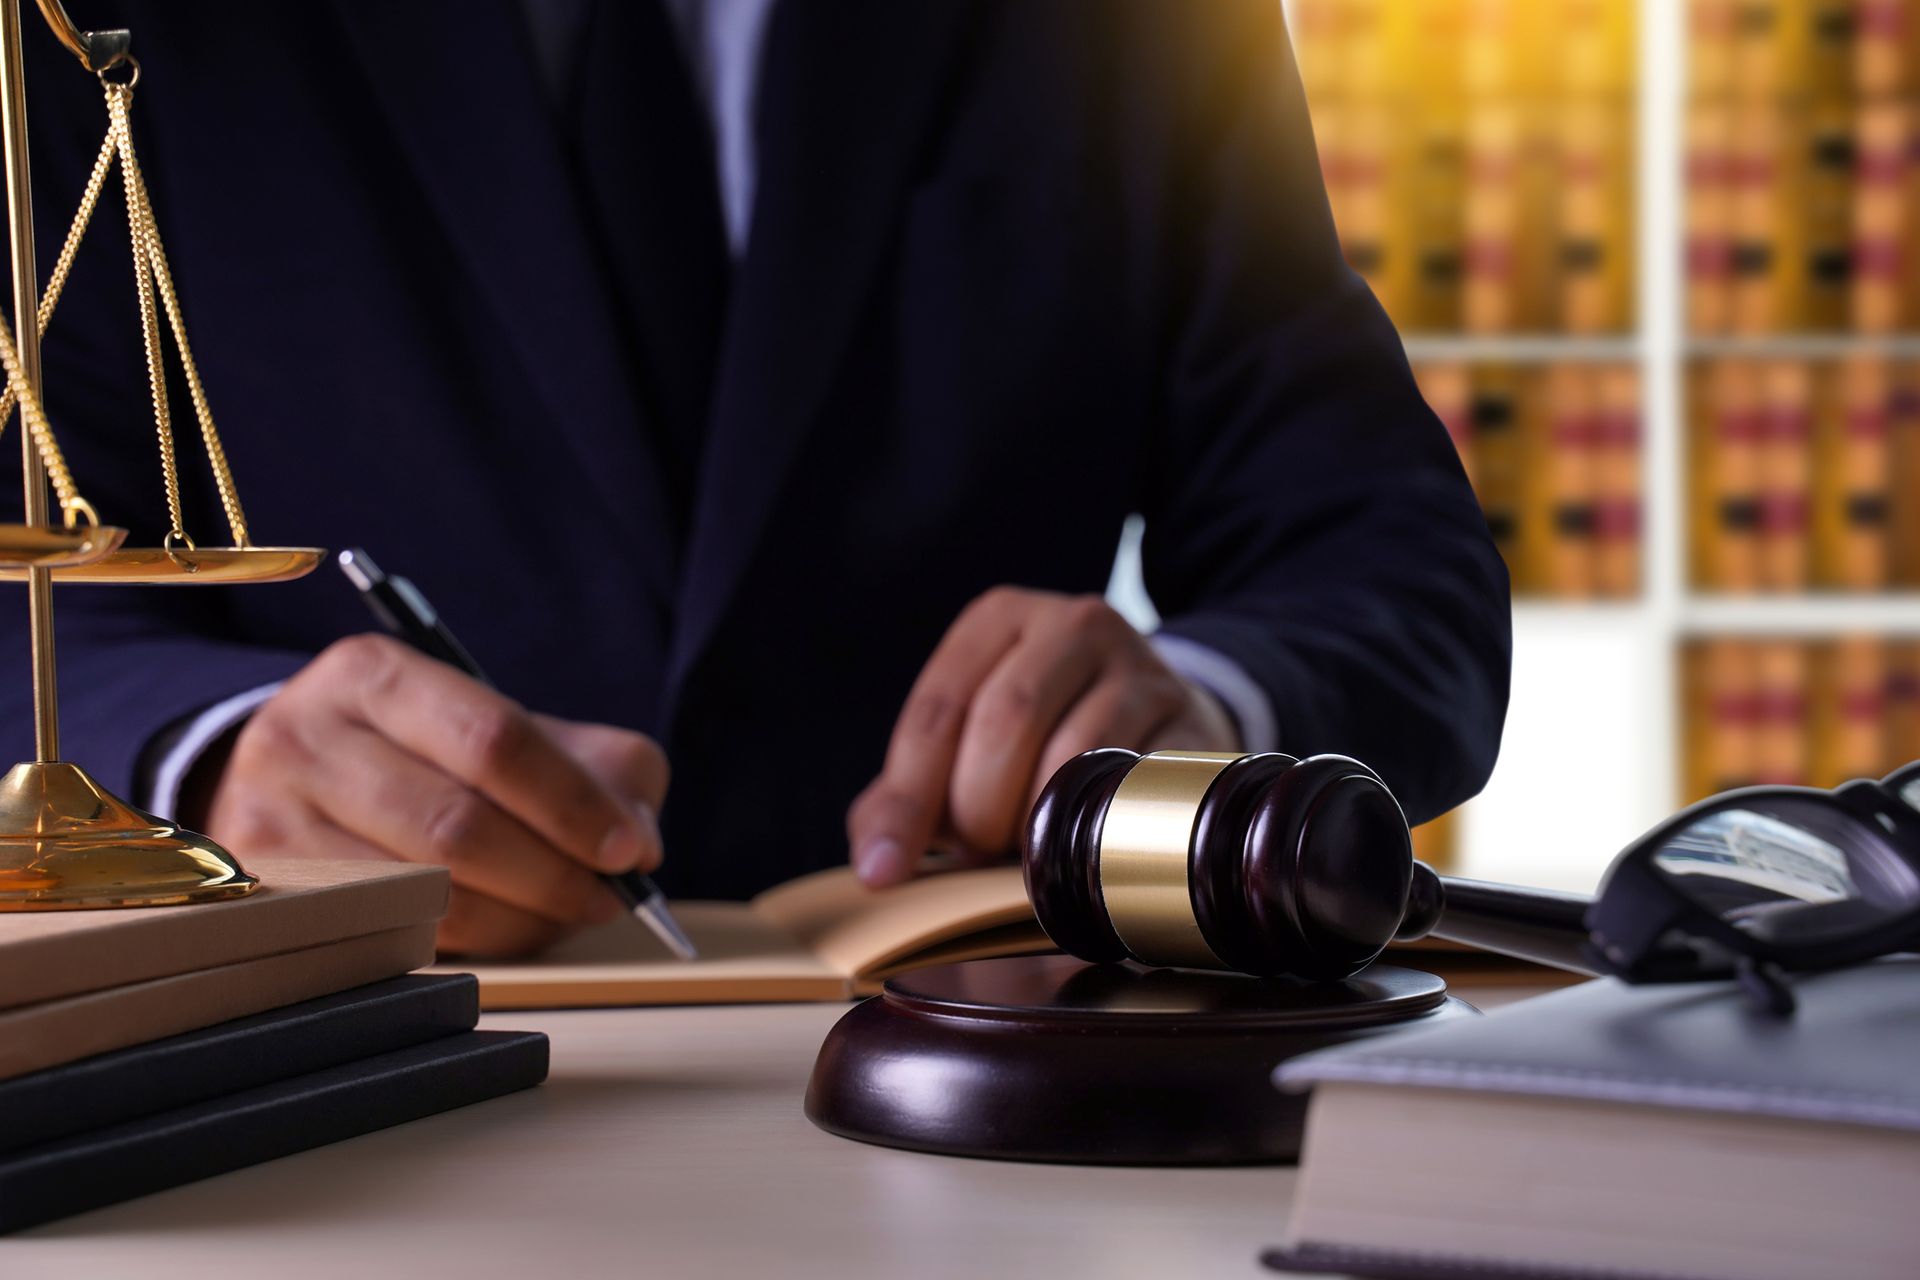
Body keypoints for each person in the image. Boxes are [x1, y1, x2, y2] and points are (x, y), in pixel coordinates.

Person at [0, 1, 1509, 956]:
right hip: (333, 1089)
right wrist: (208, 763)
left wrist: (1197, 722)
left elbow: (1388, 556)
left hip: (974, 1087)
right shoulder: (96, 29)